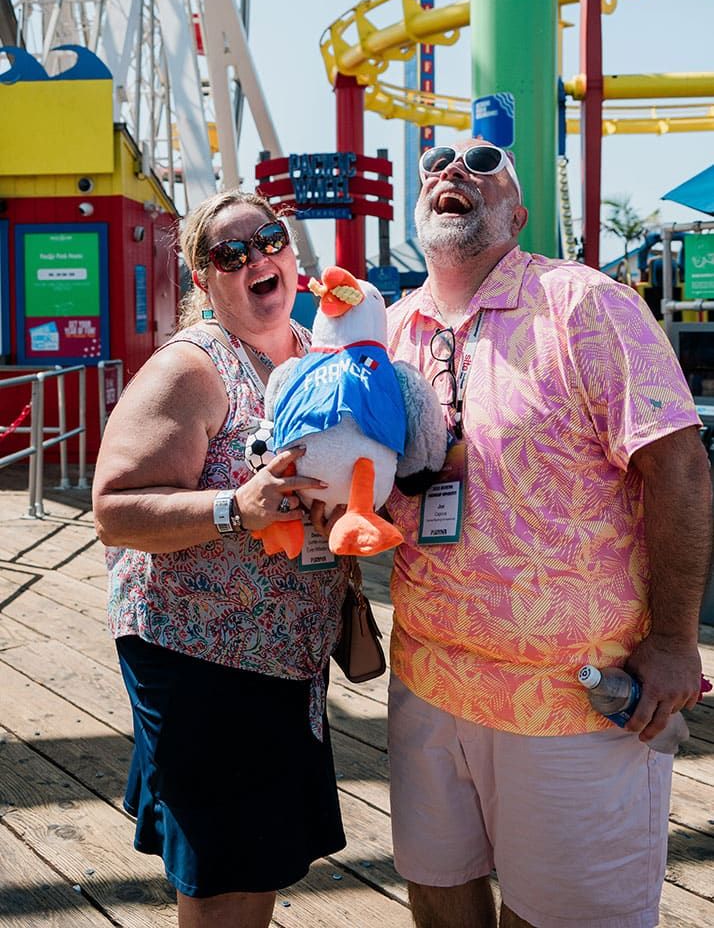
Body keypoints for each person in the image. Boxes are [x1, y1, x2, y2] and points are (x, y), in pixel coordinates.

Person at [385, 138, 712, 928]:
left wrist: (675, 641)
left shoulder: (585, 304)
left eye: (483, 163)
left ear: (518, 215)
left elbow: (680, 469)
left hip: (574, 698)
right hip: (427, 677)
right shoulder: (390, 330)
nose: (452, 171)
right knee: (438, 886)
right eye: (436, 163)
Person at [92, 189, 349, 928]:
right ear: (203, 279)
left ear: (289, 252)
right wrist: (235, 508)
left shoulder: (316, 351)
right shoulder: (193, 368)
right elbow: (113, 510)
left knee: (260, 861)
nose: (255, 259)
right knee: (228, 880)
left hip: (289, 656)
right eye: (230, 254)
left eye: (268, 241)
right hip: (200, 656)